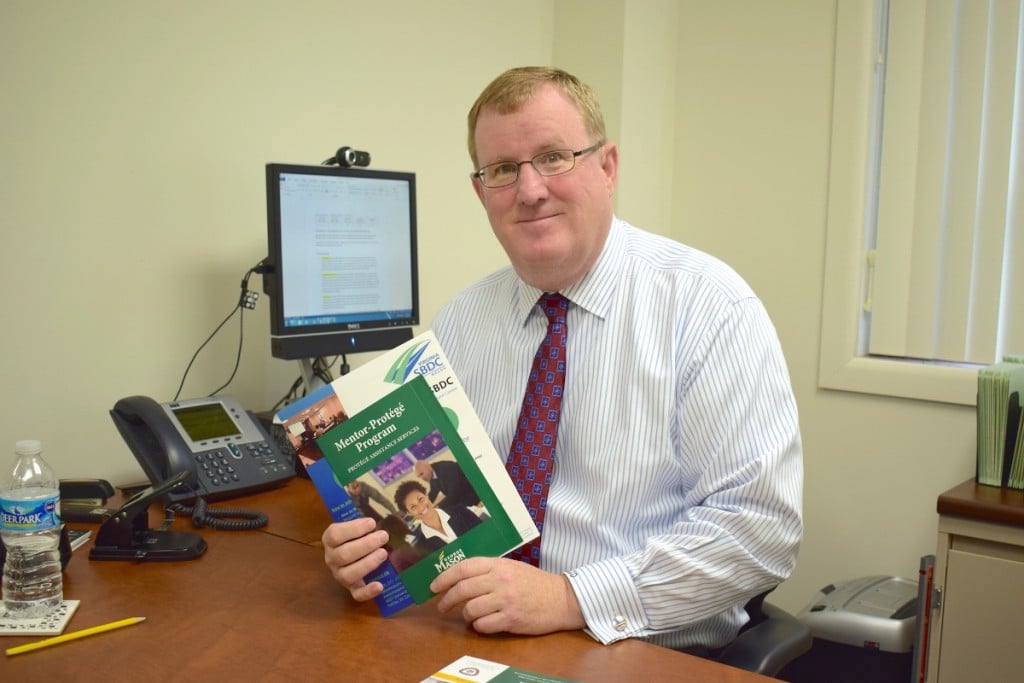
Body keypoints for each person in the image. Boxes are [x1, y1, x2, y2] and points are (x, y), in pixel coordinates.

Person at [322, 66, 803, 652]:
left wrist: (570, 597)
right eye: (502, 170)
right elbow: (422, 498)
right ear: (481, 191)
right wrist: (370, 549)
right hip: (473, 637)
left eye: (553, 157)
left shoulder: (707, 307)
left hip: (638, 650)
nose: (529, 191)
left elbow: (760, 530)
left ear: (607, 167)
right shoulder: (461, 321)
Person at [394, 480, 484, 552]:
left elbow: (487, 533)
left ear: (427, 495)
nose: (421, 507)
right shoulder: (421, 547)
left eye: (421, 499)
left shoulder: (460, 511)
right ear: (409, 513)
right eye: (413, 507)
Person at [414, 458, 480, 511]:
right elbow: (433, 492)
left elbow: (453, 494)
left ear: (428, 466)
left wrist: (437, 507)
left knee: (450, 513)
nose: (422, 478)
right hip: (458, 497)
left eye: (421, 474)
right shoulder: (432, 475)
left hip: (471, 493)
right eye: (419, 477)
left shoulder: (446, 468)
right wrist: (424, 502)